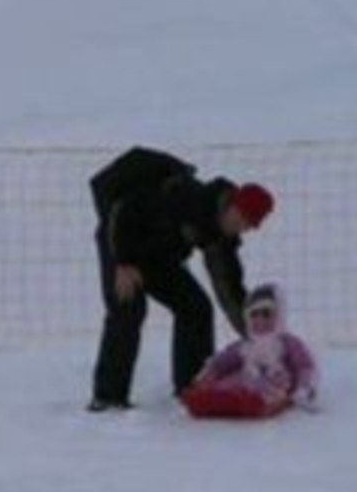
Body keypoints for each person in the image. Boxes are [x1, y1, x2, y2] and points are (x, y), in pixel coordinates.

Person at [88, 147, 275, 412]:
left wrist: (256, 336)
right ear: (232, 204)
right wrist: (124, 261)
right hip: (120, 239)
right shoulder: (188, 198)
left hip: (159, 254)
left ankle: (193, 386)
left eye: (249, 226)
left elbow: (229, 289)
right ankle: (108, 398)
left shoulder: (222, 236)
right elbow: (124, 211)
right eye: (242, 218)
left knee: (196, 307)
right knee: (128, 307)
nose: (242, 227)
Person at [181, 283, 318, 419]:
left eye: (266, 314)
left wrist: (304, 389)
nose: (260, 319)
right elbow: (224, 361)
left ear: (279, 315)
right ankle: (211, 398)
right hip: (245, 378)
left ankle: (248, 401)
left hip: (275, 383)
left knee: (266, 388)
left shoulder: (288, 343)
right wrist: (208, 375)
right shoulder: (245, 344)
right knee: (230, 382)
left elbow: (304, 366)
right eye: (254, 314)